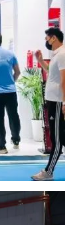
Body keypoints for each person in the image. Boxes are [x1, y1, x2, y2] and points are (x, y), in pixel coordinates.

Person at [33, 27, 65, 180]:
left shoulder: (62, 54)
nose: (46, 41)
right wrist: (40, 61)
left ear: (54, 38)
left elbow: (64, 81)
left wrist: (64, 102)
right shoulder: (56, 55)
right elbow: (52, 75)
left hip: (58, 102)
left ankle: (48, 172)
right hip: (53, 101)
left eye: (47, 38)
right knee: (60, 136)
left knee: (56, 139)